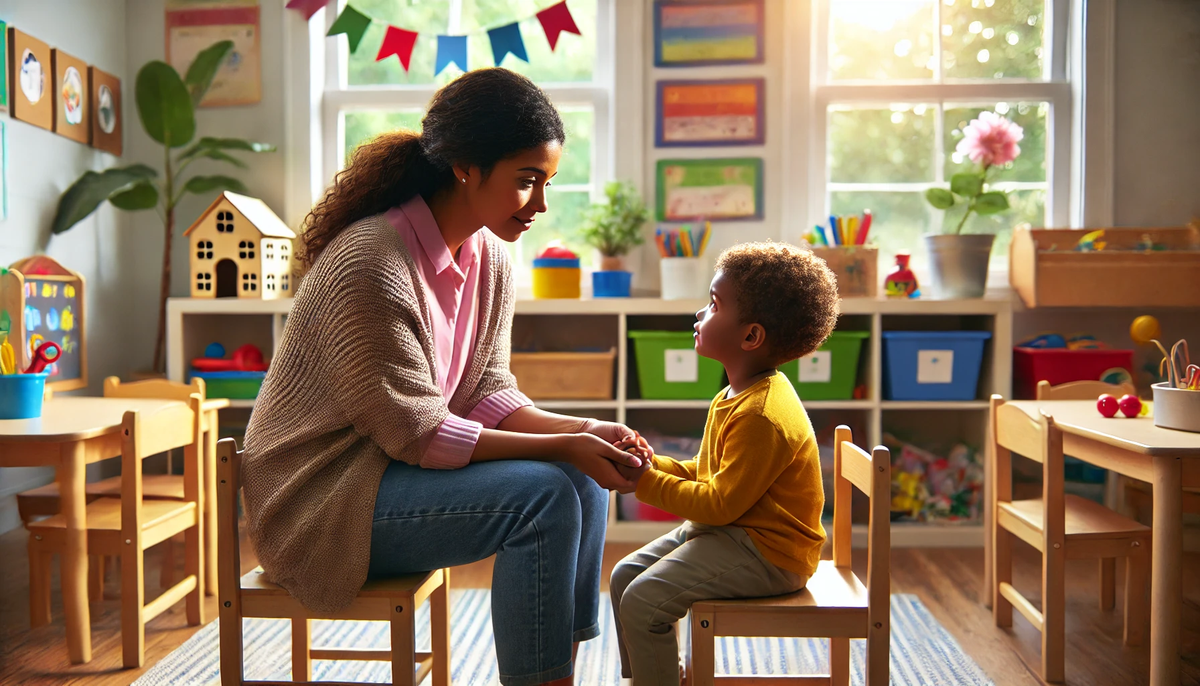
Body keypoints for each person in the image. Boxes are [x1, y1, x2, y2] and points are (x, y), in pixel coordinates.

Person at [241, 68, 643, 686]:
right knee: (545, 493)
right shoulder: (369, 261)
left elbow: (486, 394)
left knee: (581, 481)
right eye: (526, 181)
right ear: (465, 166)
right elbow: (418, 435)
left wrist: (585, 431)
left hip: (391, 474)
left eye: (547, 183)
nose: (539, 205)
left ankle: (556, 668)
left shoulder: (491, 260)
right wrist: (564, 444)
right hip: (322, 503)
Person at [609, 242, 840, 685]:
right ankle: (652, 676)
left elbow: (718, 504)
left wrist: (644, 482)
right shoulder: (736, 395)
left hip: (769, 552)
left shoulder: (761, 415)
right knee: (625, 576)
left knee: (643, 602)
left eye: (713, 305)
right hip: (735, 532)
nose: (700, 314)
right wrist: (653, 463)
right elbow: (710, 470)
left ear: (750, 336)